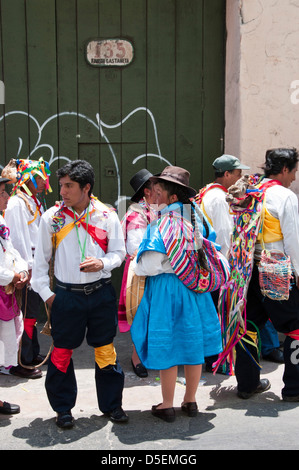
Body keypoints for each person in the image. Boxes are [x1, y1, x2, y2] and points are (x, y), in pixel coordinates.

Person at [31, 160, 127, 428]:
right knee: (61, 353)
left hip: (100, 294)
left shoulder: (107, 215)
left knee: (106, 351)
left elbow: (119, 253)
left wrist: (103, 264)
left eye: (69, 186)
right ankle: (63, 409)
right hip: (66, 297)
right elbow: (40, 266)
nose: (62, 191)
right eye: (61, 185)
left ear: (86, 187)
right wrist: (50, 296)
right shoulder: (52, 218)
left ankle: (112, 405)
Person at [130, 166, 223, 422]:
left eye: (158, 192)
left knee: (168, 346)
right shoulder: (197, 220)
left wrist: (149, 266)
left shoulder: (162, 225)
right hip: (195, 289)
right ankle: (190, 401)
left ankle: (167, 404)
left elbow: (148, 265)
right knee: (193, 346)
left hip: (166, 290)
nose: (153, 196)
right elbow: (214, 245)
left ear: (172, 198)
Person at [232, 148, 299, 400]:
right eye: (293, 171)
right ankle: (294, 388)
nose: (293, 177)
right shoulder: (285, 196)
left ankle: (247, 385)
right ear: (284, 169)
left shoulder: (251, 191)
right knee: (295, 327)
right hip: (275, 269)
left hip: (246, 268)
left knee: (249, 325)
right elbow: (292, 240)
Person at [194, 154, 251, 372]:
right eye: (237, 174)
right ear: (226, 174)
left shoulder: (208, 192)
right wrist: (229, 269)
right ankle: (215, 358)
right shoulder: (218, 198)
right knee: (217, 313)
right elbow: (224, 235)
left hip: (209, 265)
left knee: (210, 312)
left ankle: (211, 356)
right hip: (218, 266)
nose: (240, 178)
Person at [2, 158, 52, 379]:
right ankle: (19, 360)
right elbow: (17, 239)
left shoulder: (33, 201)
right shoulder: (16, 203)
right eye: (39, 177)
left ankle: (30, 353)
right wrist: (26, 268)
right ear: (27, 178)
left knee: (31, 313)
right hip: (24, 267)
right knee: (22, 314)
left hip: (33, 264)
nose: (44, 182)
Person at [118, 169, 157, 378]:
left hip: (154, 269)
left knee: (153, 314)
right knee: (141, 314)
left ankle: (148, 352)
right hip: (140, 271)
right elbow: (136, 248)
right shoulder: (136, 215)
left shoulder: (155, 210)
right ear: (147, 192)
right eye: (155, 187)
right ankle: (137, 357)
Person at [0, 176, 29, 415]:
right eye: (2, 192)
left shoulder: (0, 221)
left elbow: (11, 250)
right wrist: (11, 277)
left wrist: (20, 269)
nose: (7, 197)